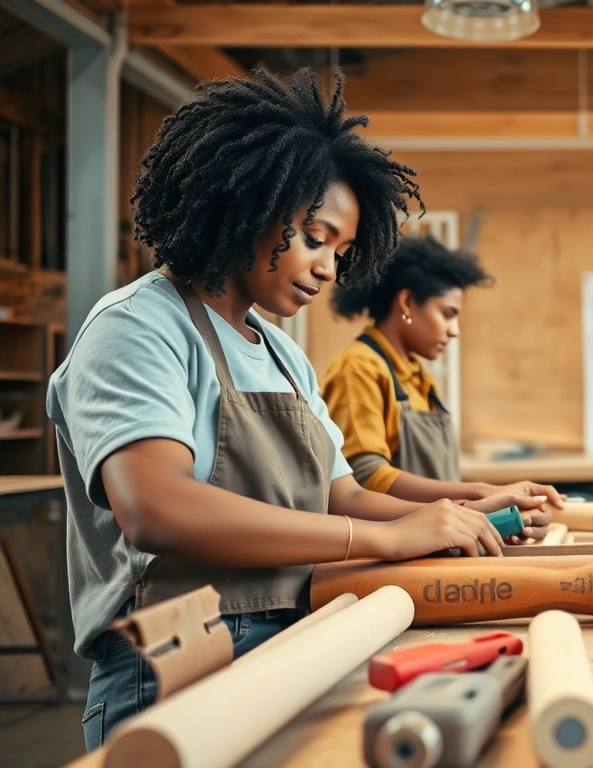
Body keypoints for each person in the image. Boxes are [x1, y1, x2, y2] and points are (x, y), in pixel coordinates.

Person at [47, 67, 547, 749]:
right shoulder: (137, 326)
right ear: (248, 204)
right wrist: (383, 539)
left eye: (341, 252)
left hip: (303, 638)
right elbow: (157, 508)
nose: (329, 270)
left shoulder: (284, 355)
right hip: (176, 661)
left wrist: (459, 512)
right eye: (315, 237)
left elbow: (343, 494)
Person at [321, 237, 563, 508]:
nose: (454, 331)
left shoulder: (420, 378)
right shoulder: (358, 367)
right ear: (408, 302)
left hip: (437, 531)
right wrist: (480, 492)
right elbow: (366, 476)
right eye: (448, 315)